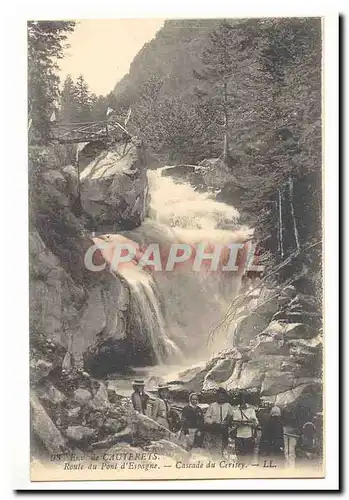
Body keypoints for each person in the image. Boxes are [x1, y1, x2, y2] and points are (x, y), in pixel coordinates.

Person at [204, 387, 234, 456]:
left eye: (222, 396)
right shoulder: (212, 405)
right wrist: (214, 422)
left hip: (224, 430)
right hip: (214, 429)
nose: (221, 397)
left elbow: (231, 415)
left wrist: (227, 421)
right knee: (215, 448)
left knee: (224, 447)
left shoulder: (228, 405)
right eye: (219, 395)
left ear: (224, 396)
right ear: (217, 396)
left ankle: (222, 456)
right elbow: (206, 418)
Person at [232, 391, 259, 457]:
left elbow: (256, 423)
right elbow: (234, 424)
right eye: (241, 401)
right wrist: (240, 423)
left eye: (244, 400)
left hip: (249, 437)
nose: (243, 403)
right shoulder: (236, 411)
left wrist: (250, 422)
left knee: (248, 457)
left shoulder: (251, 410)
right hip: (239, 437)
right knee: (240, 457)